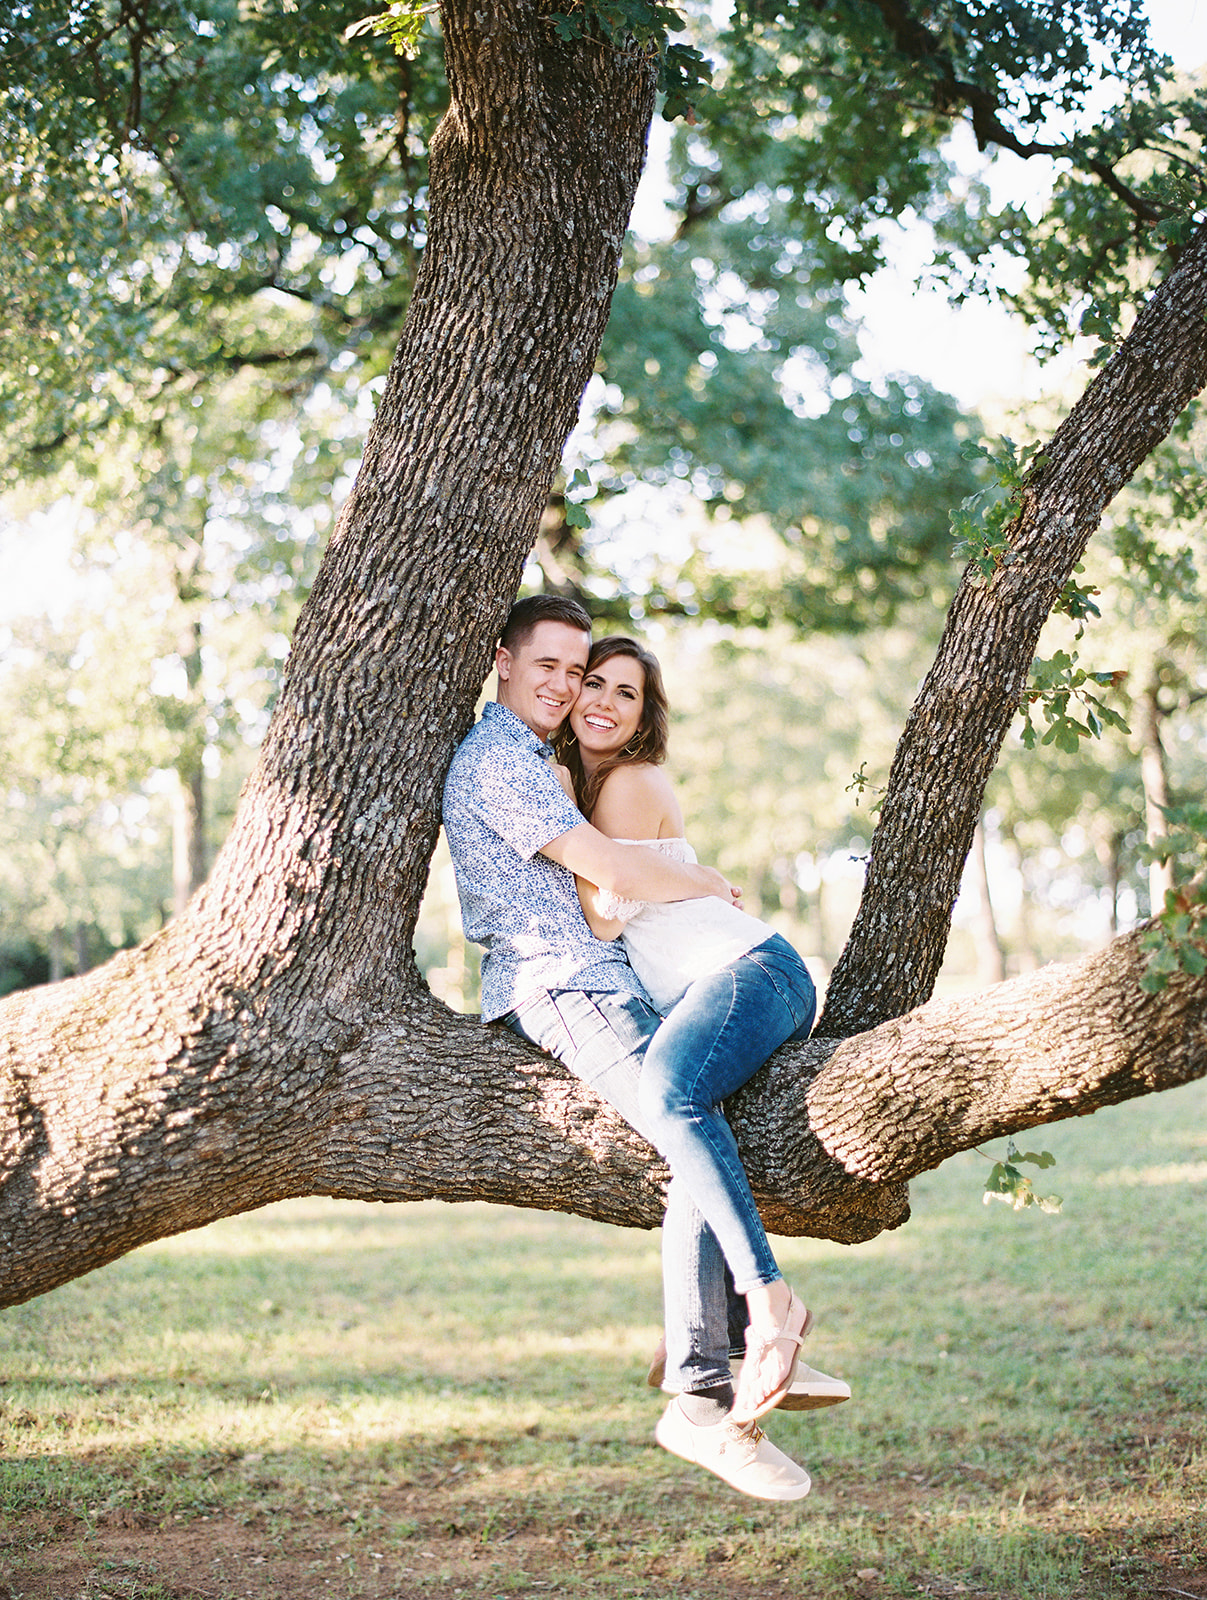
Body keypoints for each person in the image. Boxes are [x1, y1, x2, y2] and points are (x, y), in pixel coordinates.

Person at [442, 596, 833, 1502]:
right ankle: (717, 1375)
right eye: (550, 667)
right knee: (679, 1114)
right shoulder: (498, 760)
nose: (565, 687)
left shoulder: (545, 765)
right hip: (564, 985)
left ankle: (727, 1348)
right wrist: (698, 876)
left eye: (577, 674)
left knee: (685, 1124)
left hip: (619, 978)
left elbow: (606, 883)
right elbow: (610, 877)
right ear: (501, 662)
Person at [550, 633, 848, 1440]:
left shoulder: (622, 785)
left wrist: (679, 881)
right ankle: (701, 1335)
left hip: (753, 969)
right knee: (691, 1133)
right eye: (595, 686)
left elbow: (599, 902)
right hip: (726, 985)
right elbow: (610, 907)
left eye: (627, 694)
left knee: (670, 1095)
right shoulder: (587, 791)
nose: (606, 704)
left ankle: (768, 1299)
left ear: (645, 717)